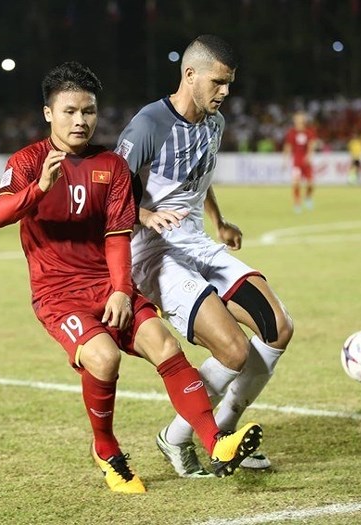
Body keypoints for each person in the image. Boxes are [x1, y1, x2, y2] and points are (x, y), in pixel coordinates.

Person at [0, 62, 262, 493]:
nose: (81, 121)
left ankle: (216, 441)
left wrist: (120, 289)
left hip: (107, 283)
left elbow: (118, 238)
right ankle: (106, 448)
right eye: (70, 112)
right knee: (103, 358)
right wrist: (39, 187)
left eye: (89, 112)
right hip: (58, 293)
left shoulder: (110, 167)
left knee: (165, 344)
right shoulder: (26, 161)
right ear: (49, 114)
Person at [116, 35, 293, 478]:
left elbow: (201, 175)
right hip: (155, 253)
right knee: (233, 350)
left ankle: (223, 434)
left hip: (197, 242)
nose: (225, 92)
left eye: (229, 83)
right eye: (218, 82)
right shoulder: (148, 124)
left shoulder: (214, 122)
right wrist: (144, 212)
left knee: (278, 328)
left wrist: (219, 220)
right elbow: (111, 189)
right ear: (189, 75)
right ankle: (180, 437)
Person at [283, 111, 317, 211]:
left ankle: (308, 197)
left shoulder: (309, 132)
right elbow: (288, 146)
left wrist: (309, 155)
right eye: (297, 120)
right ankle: (297, 203)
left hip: (306, 162)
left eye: (300, 120)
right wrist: (285, 159)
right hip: (296, 162)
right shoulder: (291, 133)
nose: (298, 122)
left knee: (311, 183)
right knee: (296, 183)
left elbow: (312, 144)